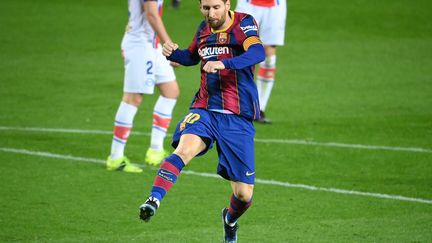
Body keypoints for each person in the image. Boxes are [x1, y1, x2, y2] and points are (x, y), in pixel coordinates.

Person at [138, 0, 265, 242]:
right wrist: (174, 54)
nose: (211, 13)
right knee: (184, 150)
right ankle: (153, 199)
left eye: (216, 7)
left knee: (243, 195)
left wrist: (224, 63)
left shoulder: (243, 23)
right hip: (204, 108)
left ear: (227, 4)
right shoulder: (203, 29)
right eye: (206, 8)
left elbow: (257, 52)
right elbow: (191, 56)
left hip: (237, 117)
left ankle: (229, 220)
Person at [106, 0, 180, 173]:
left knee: (171, 91)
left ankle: (155, 150)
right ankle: (115, 158)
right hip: (140, 45)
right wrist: (169, 46)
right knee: (133, 98)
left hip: (151, 45)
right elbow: (151, 14)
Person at [235, 0, 287, 123]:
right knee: (240, 51)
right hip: (248, 5)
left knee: (269, 56)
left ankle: (259, 108)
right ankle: (235, 104)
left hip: (275, 6)